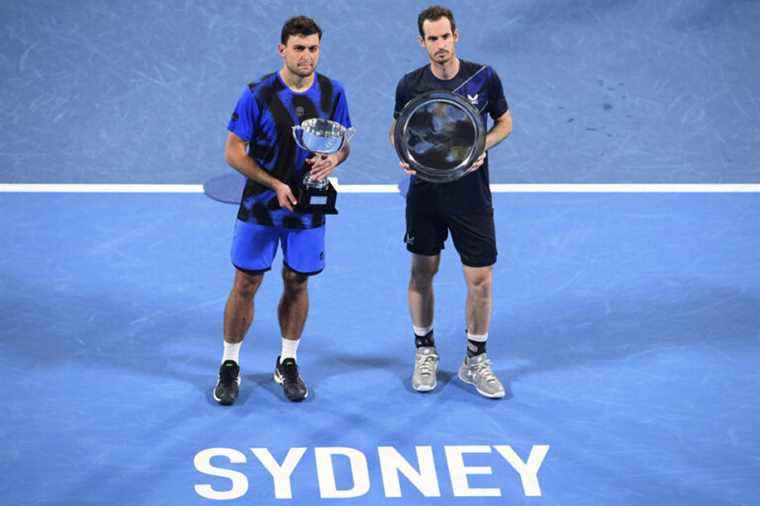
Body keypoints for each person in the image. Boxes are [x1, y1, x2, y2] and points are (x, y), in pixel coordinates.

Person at [214, 16, 351, 405]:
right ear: (282, 50)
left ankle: (287, 361)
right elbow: (233, 151)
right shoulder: (257, 94)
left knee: (297, 280)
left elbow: (342, 143)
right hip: (261, 204)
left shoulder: (333, 92)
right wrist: (274, 184)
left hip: (308, 206)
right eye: (298, 49)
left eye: (313, 49)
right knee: (245, 283)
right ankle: (229, 364)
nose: (306, 56)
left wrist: (333, 161)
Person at [390, 5, 513, 398]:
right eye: (432, 39)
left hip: (471, 195)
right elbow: (398, 129)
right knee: (422, 272)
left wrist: (482, 144)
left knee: (480, 279)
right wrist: (406, 156)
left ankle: (475, 359)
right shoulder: (410, 85)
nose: (440, 45)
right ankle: (425, 351)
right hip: (425, 194)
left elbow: (504, 122)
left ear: (456, 36)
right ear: (422, 42)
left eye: (445, 37)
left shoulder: (483, 77)